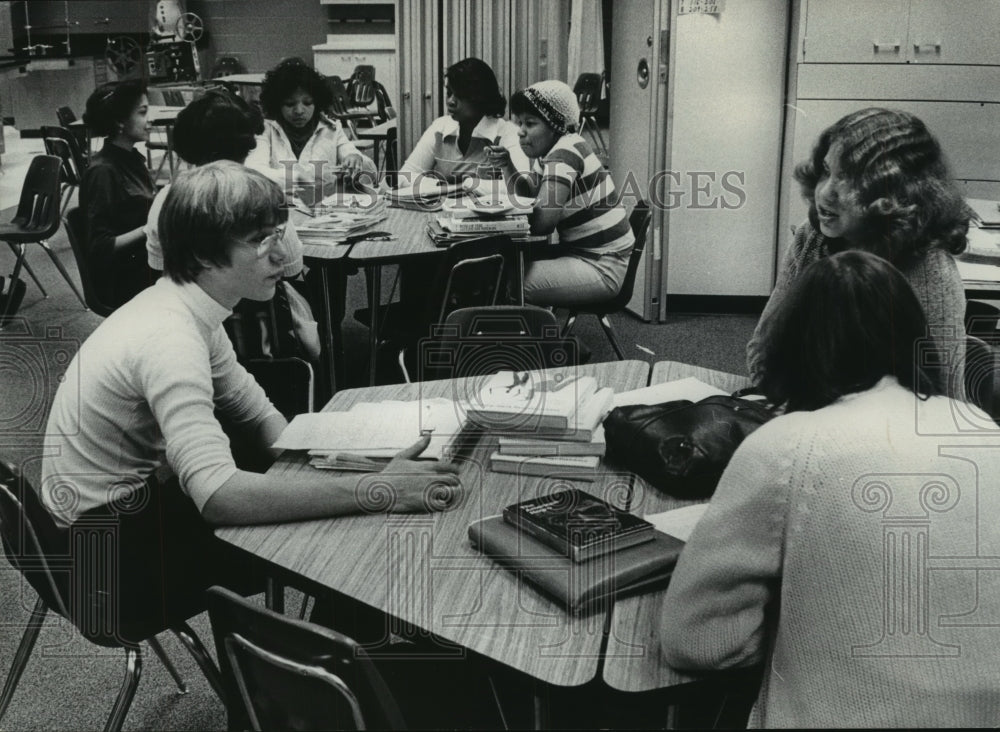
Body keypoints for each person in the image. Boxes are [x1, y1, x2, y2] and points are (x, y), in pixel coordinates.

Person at [40, 162, 461, 618]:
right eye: (262, 241)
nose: (282, 256)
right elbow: (219, 496)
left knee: (345, 513)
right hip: (107, 566)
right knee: (353, 540)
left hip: (119, 521)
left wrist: (348, 464)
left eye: (280, 234)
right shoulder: (170, 339)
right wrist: (374, 490)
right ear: (203, 256)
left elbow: (256, 415)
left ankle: (324, 667)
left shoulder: (188, 305)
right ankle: (316, 676)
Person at [660, 251, 1000, 728]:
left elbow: (696, 641)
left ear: (792, 344)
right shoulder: (981, 427)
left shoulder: (787, 445)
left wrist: (800, 621)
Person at [746, 107, 971, 397]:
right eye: (827, 171)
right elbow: (762, 353)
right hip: (802, 407)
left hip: (886, 429)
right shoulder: (811, 236)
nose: (825, 193)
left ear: (895, 196)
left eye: (851, 180)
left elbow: (945, 397)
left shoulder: (930, 269)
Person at [144, 90, 320, 363]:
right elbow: (293, 267)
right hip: (257, 340)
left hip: (187, 337)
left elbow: (157, 268)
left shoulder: (165, 199)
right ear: (246, 147)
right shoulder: (261, 195)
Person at [503, 79, 633, 306]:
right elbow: (528, 196)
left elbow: (543, 225)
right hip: (593, 256)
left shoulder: (564, 154)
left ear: (556, 125)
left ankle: (536, 339)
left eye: (530, 123)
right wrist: (507, 165)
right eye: (520, 123)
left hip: (602, 266)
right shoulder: (552, 152)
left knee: (504, 282)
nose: (520, 132)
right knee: (504, 269)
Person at [79, 79, 156, 308]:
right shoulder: (103, 172)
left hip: (144, 264)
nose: (149, 120)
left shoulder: (132, 158)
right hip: (125, 280)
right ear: (119, 121)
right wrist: (151, 228)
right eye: (142, 113)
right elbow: (100, 248)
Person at [245, 57, 376, 191]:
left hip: (324, 207)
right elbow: (254, 172)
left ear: (318, 102)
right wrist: (302, 179)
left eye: (307, 103)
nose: (299, 111)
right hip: (281, 207)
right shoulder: (264, 130)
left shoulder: (331, 128)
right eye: (290, 104)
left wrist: (355, 159)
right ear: (277, 104)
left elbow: (368, 170)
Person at [399, 57, 530, 184]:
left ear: (480, 97)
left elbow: (522, 188)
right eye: (449, 93)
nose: (451, 101)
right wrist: (441, 187)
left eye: (460, 95)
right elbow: (405, 176)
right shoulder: (440, 127)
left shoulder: (507, 133)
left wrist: (466, 186)